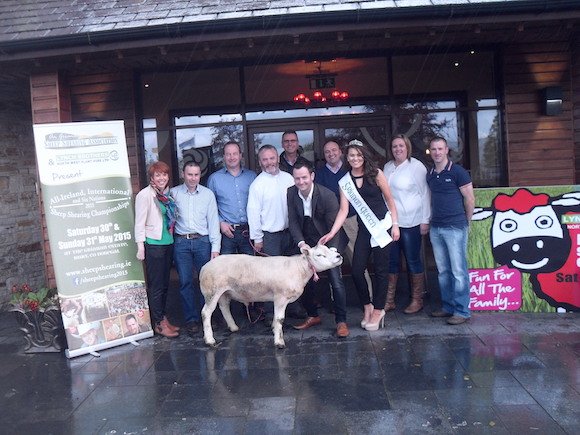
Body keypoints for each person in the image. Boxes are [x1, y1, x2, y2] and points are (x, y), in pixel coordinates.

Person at [320, 139, 400, 331]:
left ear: (364, 155)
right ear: (346, 157)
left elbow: (390, 200)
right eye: (351, 155)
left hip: (382, 227)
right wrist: (331, 232)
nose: (355, 158)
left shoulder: (376, 174)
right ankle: (367, 306)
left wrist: (395, 225)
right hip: (364, 229)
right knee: (356, 270)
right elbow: (343, 210)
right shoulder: (345, 182)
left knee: (381, 271)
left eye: (358, 155)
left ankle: (379, 310)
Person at [288, 161, 350, 337]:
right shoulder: (291, 192)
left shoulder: (327, 195)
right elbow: (292, 221)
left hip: (329, 238)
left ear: (312, 176)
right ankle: (312, 315)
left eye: (304, 177)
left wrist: (330, 253)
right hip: (306, 241)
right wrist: (301, 243)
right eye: (297, 178)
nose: (301, 182)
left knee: (335, 281)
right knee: (305, 280)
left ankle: (341, 321)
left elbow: (334, 229)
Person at [247, 144, 305, 319]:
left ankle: (293, 308)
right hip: (269, 236)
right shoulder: (257, 184)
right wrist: (257, 238)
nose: (269, 162)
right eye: (265, 159)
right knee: (270, 278)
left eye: (272, 158)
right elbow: (253, 212)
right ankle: (271, 313)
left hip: (291, 234)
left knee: (292, 274)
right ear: (260, 162)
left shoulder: (289, 178)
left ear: (278, 159)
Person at [426, 136, 475, 325]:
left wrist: (466, 222)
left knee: (458, 271)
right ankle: (447, 307)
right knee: (443, 271)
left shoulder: (458, 172)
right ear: (431, 152)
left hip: (455, 227)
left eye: (440, 148)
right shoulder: (430, 173)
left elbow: (470, 199)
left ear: (447, 150)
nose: (437, 152)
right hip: (436, 227)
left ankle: (462, 311)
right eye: (434, 149)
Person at [316, 139, 373, 295]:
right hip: (330, 224)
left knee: (359, 260)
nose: (331, 154)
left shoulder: (350, 172)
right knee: (332, 263)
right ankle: (337, 301)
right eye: (327, 152)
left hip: (352, 221)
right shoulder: (320, 175)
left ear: (341, 152)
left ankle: (368, 297)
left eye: (334, 150)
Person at [171, 161, 221, 335]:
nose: (193, 178)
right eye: (189, 174)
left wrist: (215, 248)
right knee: (185, 282)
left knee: (206, 282)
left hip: (203, 242)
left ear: (200, 175)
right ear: (183, 174)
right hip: (181, 242)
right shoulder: (174, 193)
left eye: (196, 175)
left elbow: (213, 222)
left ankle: (207, 316)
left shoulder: (208, 195)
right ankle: (191, 319)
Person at [383, 134, 431, 314]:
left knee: (412, 260)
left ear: (407, 147)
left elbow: (425, 193)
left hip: (412, 222)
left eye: (401, 146)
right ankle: (389, 300)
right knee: (392, 261)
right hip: (392, 223)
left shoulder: (416, 167)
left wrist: (425, 219)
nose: (398, 149)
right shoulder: (387, 167)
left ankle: (417, 299)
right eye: (395, 146)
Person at [134, 161, 179, 338]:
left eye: (164, 174)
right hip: (154, 245)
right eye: (158, 175)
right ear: (152, 178)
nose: (162, 178)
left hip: (167, 242)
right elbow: (139, 223)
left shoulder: (166, 195)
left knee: (165, 285)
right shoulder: (145, 195)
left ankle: (163, 318)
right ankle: (158, 323)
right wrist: (140, 246)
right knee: (157, 286)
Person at [207, 141, 257, 255]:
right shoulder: (214, 179)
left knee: (248, 270)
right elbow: (209, 206)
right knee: (226, 271)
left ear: (240, 155)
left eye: (235, 153)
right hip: (226, 232)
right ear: (224, 157)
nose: (232, 157)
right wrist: (220, 223)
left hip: (248, 232)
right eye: (228, 154)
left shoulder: (252, 176)